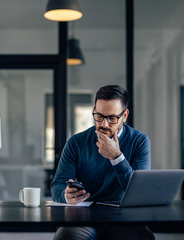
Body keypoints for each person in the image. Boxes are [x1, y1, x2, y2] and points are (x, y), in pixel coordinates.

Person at [51, 85, 155, 240]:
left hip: (123, 217)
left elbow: (139, 193)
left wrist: (116, 157)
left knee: (143, 237)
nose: (104, 124)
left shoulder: (139, 141)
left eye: (112, 118)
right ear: (94, 110)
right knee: (66, 237)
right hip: (83, 217)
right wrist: (66, 195)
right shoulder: (75, 143)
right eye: (99, 116)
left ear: (124, 115)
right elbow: (57, 185)